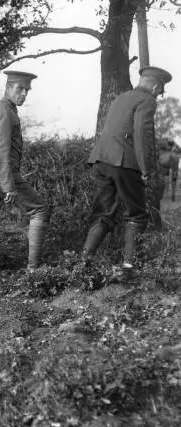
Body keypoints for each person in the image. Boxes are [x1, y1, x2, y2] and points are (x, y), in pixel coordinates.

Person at [81, 66, 172, 275]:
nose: (159, 94)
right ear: (156, 86)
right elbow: (142, 136)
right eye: (161, 90)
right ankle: (128, 268)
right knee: (137, 215)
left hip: (101, 159)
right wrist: (146, 169)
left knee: (103, 213)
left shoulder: (122, 97)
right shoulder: (148, 101)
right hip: (124, 162)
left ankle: (83, 262)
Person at [0, 71, 50, 297]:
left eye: (26, 90)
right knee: (39, 209)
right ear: (8, 88)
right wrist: (8, 186)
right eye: (19, 89)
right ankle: (34, 271)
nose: (23, 94)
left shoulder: (1, 109)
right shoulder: (5, 112)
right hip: (0, 177)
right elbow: (0, 151)